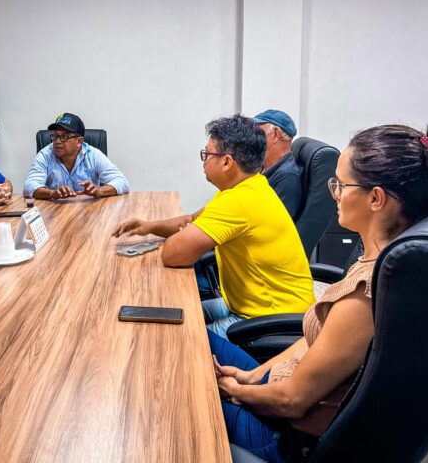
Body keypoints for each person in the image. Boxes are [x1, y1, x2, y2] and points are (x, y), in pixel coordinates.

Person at [209, 124, 428, 462]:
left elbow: (291, 401)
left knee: (185, 389)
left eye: (340, 184)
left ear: (376, 198)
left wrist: (235, 391)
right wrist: (251, 377)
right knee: (195, 338)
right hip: (276, 389)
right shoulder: (376, 257)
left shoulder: (364, 295)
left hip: (284, 436)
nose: (334, 193)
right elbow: (318, 340)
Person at [113, 115, 313, 336]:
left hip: (272, 320)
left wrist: (187, 237)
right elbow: (190, 220)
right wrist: (148, 227)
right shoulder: (250, 187)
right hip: (249, 304)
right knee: (174, 311)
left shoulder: (237, 201)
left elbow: (172, 254)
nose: (204, 160)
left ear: (226, 162)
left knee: (179, 336)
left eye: (207, 154)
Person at [23, 113, 130, 200]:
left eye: (64, 137)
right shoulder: (45, 155)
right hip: (55, 211)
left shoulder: (92, 155)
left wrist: (99, 191)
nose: (57, 141)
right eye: (55, 136)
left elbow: (122, 182)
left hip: (88, 210)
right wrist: (52, 193)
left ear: (79, 141)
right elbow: (29, 186)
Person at [254, 109, 303, 218]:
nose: (253, 140)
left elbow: (272, 221)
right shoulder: (264, 167)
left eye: (258, 134)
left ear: (276, 134)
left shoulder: (287, 176)